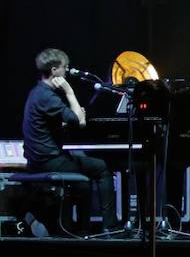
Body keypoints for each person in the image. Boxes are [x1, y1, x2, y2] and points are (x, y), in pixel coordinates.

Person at [21, 47, 118, 234]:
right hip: (48, 161)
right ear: (54, 71)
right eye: (64, 67)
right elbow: (79, 121)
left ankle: (80, 230)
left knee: (82, 185)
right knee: (102, 167)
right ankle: (110, 227)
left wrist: (73, 117)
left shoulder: (37, 93)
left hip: (38, 160)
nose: (67, 70)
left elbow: (58, 123)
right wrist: (69, 91)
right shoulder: (48, 96)